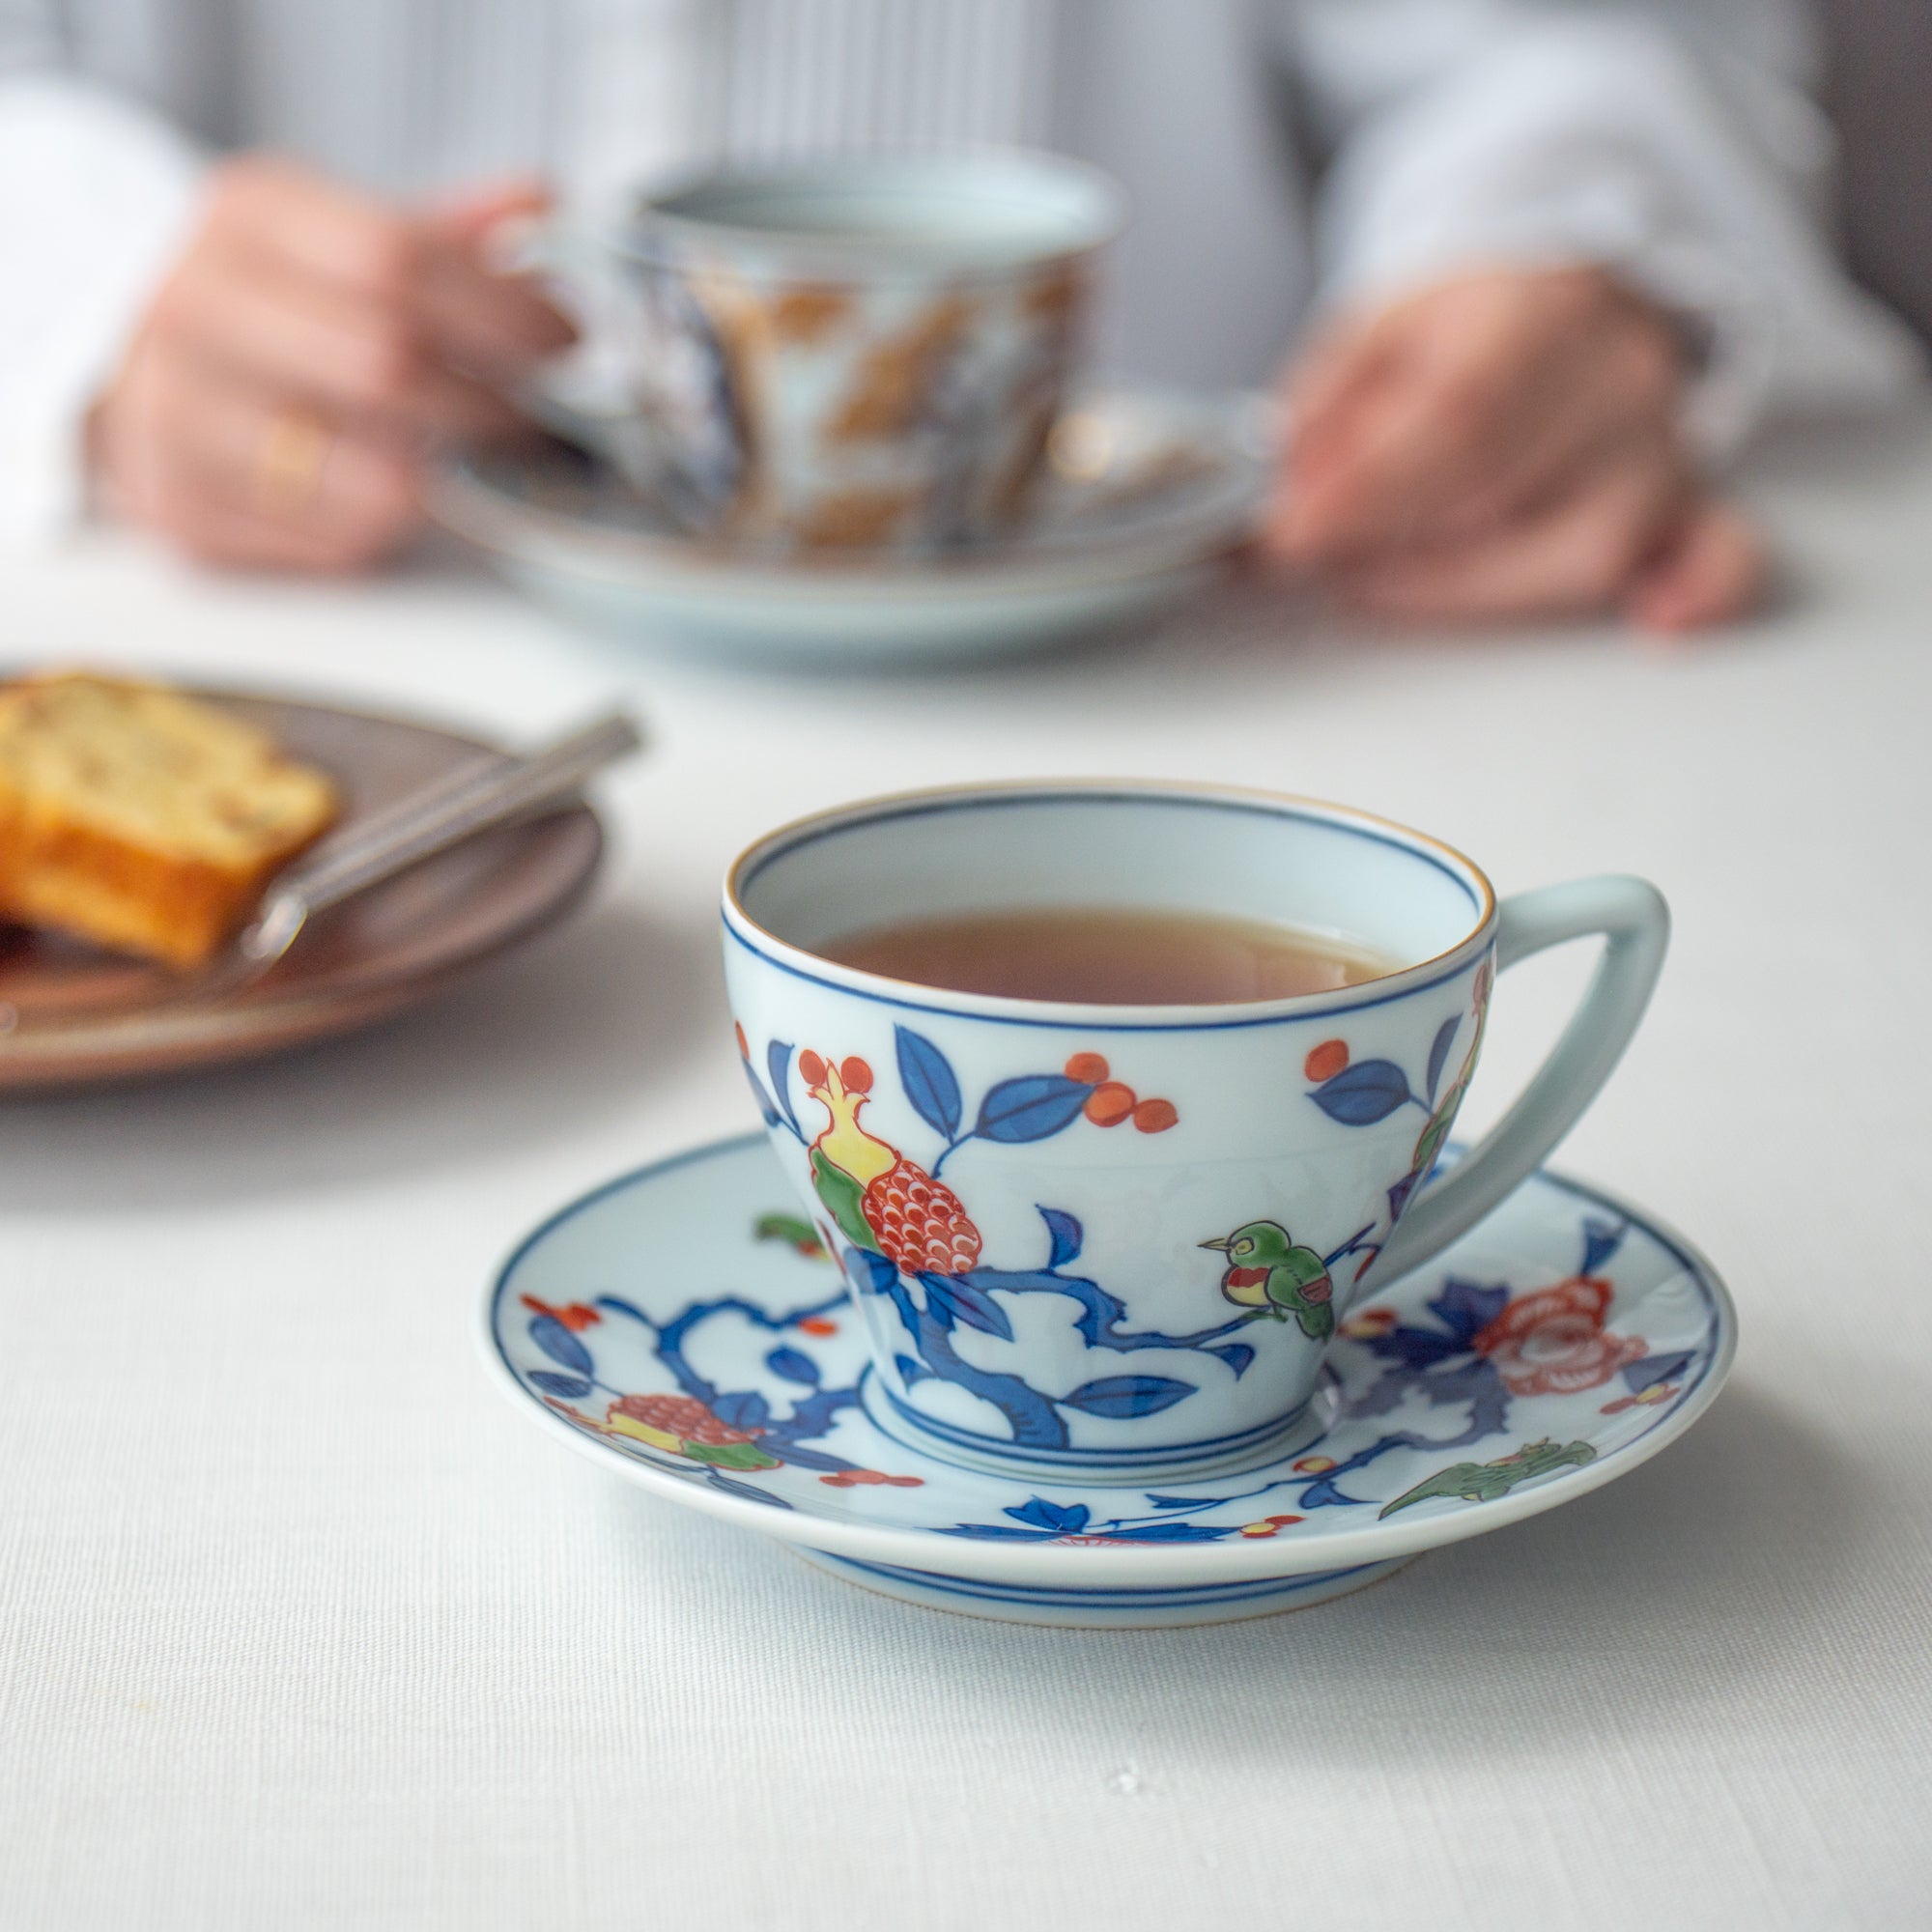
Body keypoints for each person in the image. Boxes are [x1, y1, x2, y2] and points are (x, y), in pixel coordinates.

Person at [0, 0, 1918, 631]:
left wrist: (1548, 267)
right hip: (356, 638)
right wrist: (95, 283)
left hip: (1265, 660)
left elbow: (1552, 53)